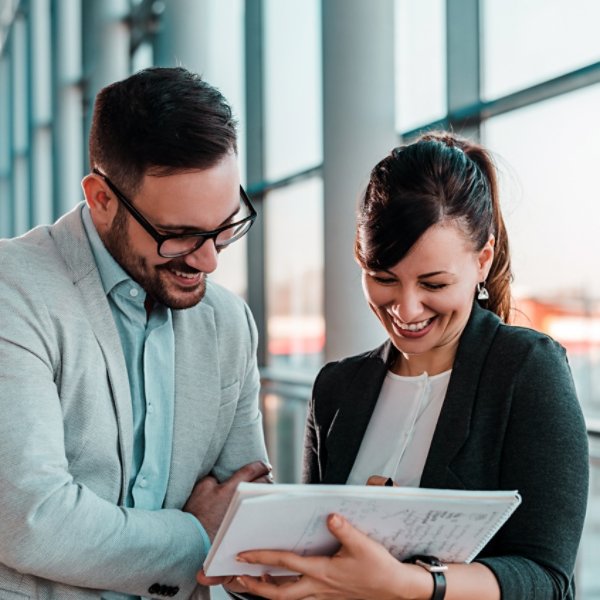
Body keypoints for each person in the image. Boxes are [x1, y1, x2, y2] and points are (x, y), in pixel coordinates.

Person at [209, 131, 589, 599]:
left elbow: (548, 580)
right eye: (383, 278)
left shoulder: (526, 370)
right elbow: (319, 569)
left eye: (433, 283)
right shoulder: (337, 389)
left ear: (483, 260)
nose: (407, 310)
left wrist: (411, 585)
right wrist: (256, 569)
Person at [0, 67, 271, 600]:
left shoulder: (228, 321)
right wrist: (197, 535)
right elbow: (29, 518)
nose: (210, 260)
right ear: (101, 197)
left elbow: (247, 512)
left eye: (224, 227)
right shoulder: (14, 291)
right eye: (179, 235)